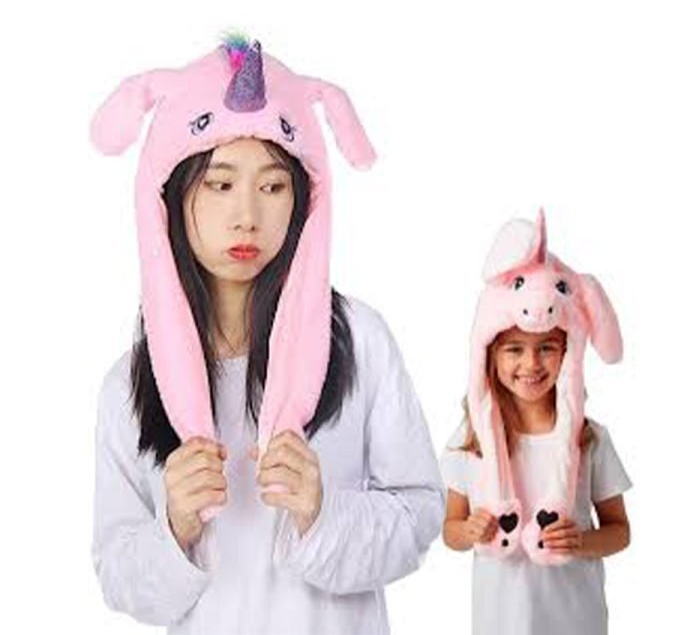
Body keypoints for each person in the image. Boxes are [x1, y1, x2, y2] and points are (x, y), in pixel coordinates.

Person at [90, 34, 444, 634]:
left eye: (274, 186)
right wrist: (175, 526)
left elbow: (420, 514)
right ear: (170, 195)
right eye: (220, 183)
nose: (247, 215)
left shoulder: (359, 340)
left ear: (304, 198)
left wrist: (322, 513)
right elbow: (117, 574)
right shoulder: (129, 384)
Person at [441, 211, 632, 635]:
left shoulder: (590, 438)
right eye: (514, 349)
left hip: (575, 621)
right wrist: (469, 530)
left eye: (547, 347)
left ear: (568, 353)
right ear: (490, 355)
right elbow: (450, 530)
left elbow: (619, 531)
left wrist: (580, 541)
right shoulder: (471, 437)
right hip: (501, 623)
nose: (531, 364)